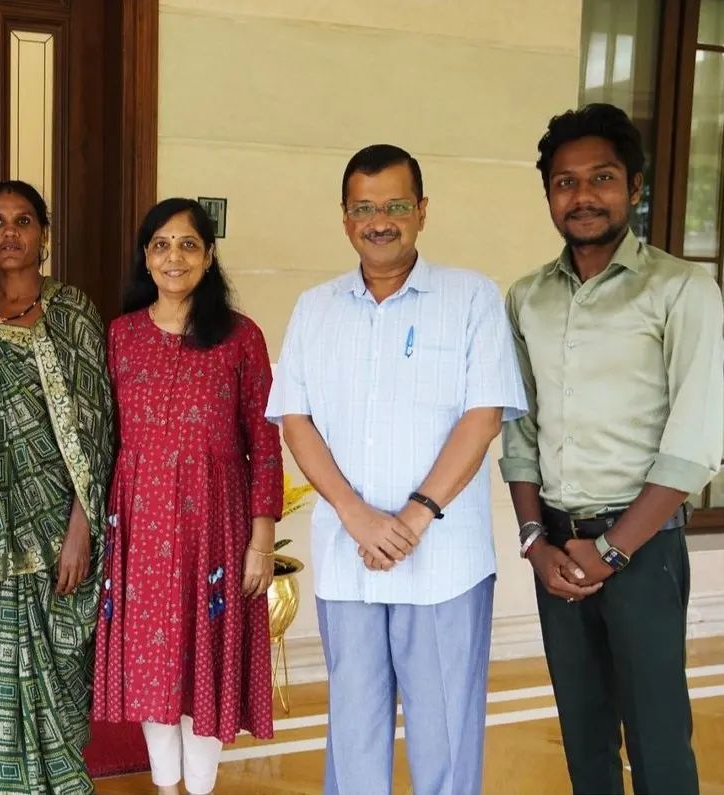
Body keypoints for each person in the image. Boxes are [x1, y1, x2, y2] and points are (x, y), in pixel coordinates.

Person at [266, 145, 527, 795]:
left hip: (443, 563)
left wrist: (414, 516)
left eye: (395, 205)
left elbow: (483, 415)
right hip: (349, 559)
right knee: (353, 736)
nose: (380, 220)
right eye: (364, 207)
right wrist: (357, 514)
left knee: (446, 739)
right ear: (345, 217)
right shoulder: (314, 308)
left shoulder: (470, 297)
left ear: (422, 211)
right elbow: (296, 420)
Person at [501, 103, 723, 795]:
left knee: (657, 738)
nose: (583, 195)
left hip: (643, 548)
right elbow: (520, 431)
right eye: (565, 182)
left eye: (600, 177)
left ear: (633, 187)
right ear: (548, 197)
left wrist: (615, 549)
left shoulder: (682, 288)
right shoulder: (526, 297)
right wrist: (536, 540)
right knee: (584, 734)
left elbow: (696, 440)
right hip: (557, 549)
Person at [92, 197, 283, 795]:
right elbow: (103, 437)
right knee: (154, 671)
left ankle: (199, 789)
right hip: (141, 524)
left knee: (206, 665)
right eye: (161, 245)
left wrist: (262, 539)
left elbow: (266, 441)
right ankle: (165, 786)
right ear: (145, 258)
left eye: (188, 245)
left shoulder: (241, 339)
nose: (174, 257)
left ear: (209, 256)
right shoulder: (119, 336)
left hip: (216, 527)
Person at [0, 180, 114, 794]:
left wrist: (81, 530)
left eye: (23, 221)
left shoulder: (74, 313)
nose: (9, 233)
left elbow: (96, 430)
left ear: (44, 232)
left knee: (55, 672)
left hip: (55, 526)